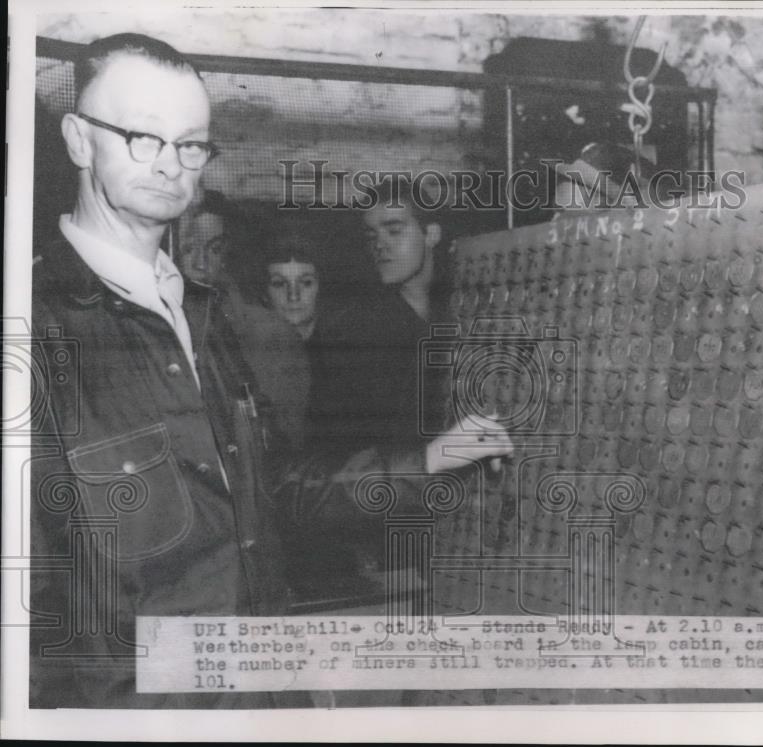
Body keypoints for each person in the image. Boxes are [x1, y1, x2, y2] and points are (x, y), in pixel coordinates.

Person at [29, 32, 512, 709]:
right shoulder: (35, 328)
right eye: (143, 136)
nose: (171, 164)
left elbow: (278, 488)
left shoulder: (201, 317)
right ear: (79, 140)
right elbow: (30, 612)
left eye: (191, 143)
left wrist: (428, 458)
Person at [308, 179, 452, 464]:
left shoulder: (460, 311)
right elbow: (335, 460)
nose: (380, 245)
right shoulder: (349, 335)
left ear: (431, 234)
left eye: (394, 231)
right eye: (372, 235)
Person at [175, 188, 310, 451]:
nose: (201, 264)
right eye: (189, 248)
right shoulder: (140, 328)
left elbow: (286, 447)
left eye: (214, 249)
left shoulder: (271, 336)